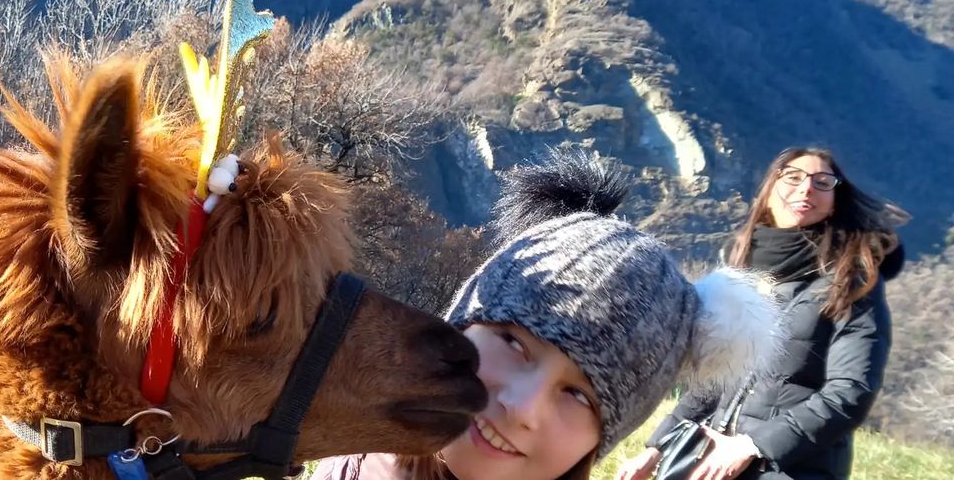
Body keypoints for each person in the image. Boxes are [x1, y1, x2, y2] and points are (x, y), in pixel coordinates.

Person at [309, 151, 784, 480]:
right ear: (463, 325)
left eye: (580, 396)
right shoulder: (324, 446)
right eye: (514, 343)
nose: (523, 406)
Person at [616, 147, 907, 480]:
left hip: (794, 468)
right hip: (714, 460)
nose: (806, 189)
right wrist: (656, 450)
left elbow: (851, 391)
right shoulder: (741, 274)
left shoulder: (851, 280)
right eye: (793, 178)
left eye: (822, 182)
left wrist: (753, 445)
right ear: (769, 191)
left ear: (835, 202)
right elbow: (715, 380)